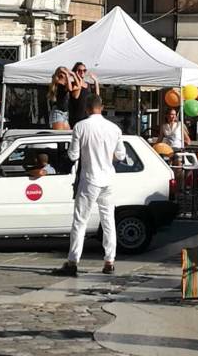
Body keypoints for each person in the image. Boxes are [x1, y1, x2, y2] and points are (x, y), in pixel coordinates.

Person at [53, 94, 126, 277]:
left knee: (80, 221)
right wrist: (106, 156)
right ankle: (109, 260)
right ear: (102, 107)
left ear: (87, 108)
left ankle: (73, 261)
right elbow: (121, 155)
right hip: (108, 178)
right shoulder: (114, 128)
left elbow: (73, 155)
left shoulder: (81, 127)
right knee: (108, 220)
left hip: (90, 178)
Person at [68, 62, 100, 128]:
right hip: (76, 116)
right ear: (75, 72)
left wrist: (96, 81)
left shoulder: (87, 85)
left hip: (87, 116)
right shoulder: (73, 84)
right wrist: (78, 80)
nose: (82, 72)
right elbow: (76, 96)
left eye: (84, 70)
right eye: (79, 70)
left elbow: (96, 97)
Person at [48, 66, 78, 130]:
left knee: (67, 136)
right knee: (60, 137)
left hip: (65, 113)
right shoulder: (59, 84)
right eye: (63, 74)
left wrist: (73, 74)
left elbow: (78, 86)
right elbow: (70, 88)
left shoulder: (65, 84)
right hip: (58, 113)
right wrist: (67, 74)